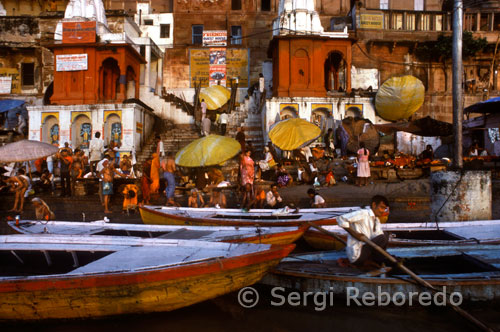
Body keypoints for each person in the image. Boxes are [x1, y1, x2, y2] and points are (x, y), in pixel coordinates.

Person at [337, 195, 390, 268]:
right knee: (383, 238)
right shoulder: (363, 213)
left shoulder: (376, 220)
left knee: (385, 235)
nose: (382, 211)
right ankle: (378, 261)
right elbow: (341, 219)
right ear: (374, 205)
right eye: (381, 208)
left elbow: (378, 237)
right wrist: (355, 234)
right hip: (357, 255)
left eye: (384, 209)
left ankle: (380, 260)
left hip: (366, 252)